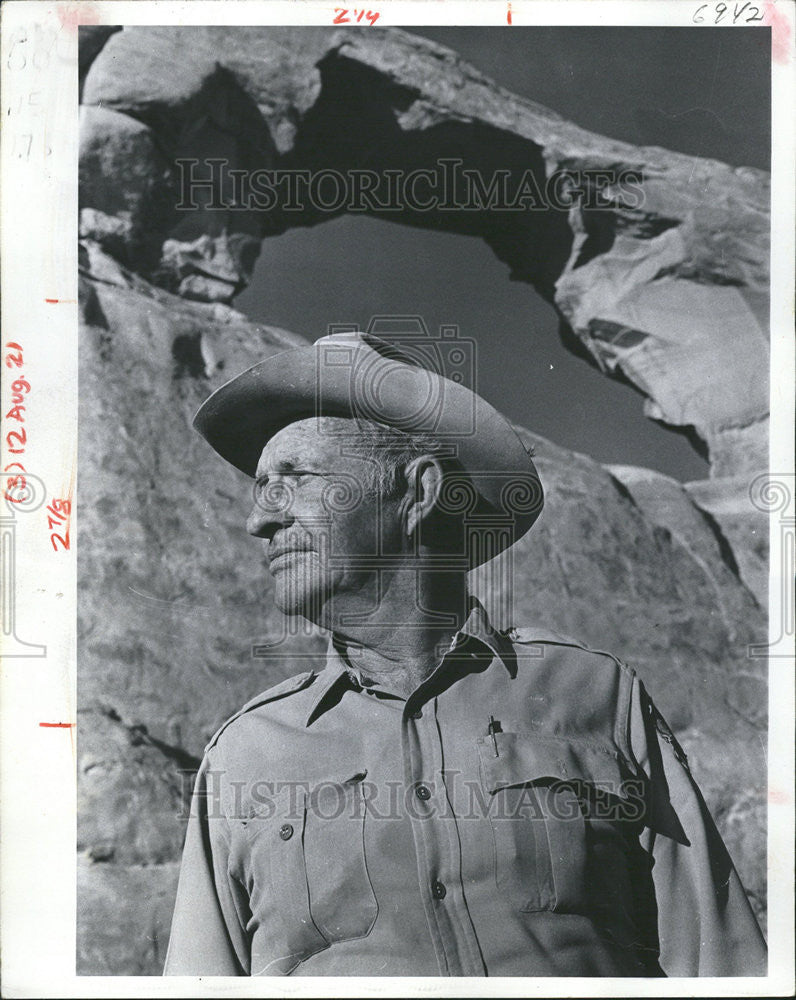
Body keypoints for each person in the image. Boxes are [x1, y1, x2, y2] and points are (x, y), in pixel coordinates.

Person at [164, 331, 766, 977]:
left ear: (418, 493)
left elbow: (715, 959)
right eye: (261, 488)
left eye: (295, 479)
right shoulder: (247, 749)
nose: (260, 520)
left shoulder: (596, 693)